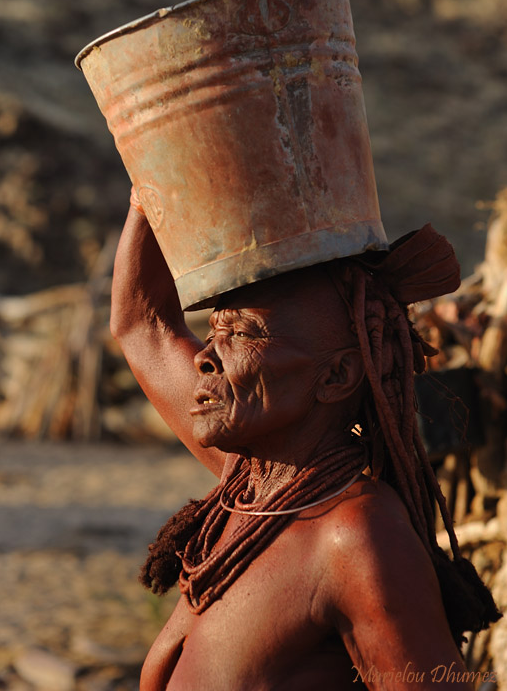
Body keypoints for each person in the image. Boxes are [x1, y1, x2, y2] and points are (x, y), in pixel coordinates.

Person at [110, 190, 501, 691]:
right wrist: (150, 188)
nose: (205, 355)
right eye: (213, 329)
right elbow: (142, 325)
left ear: (336, 375)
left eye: (244, 334)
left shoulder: (357, 535)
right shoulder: (250, 484)